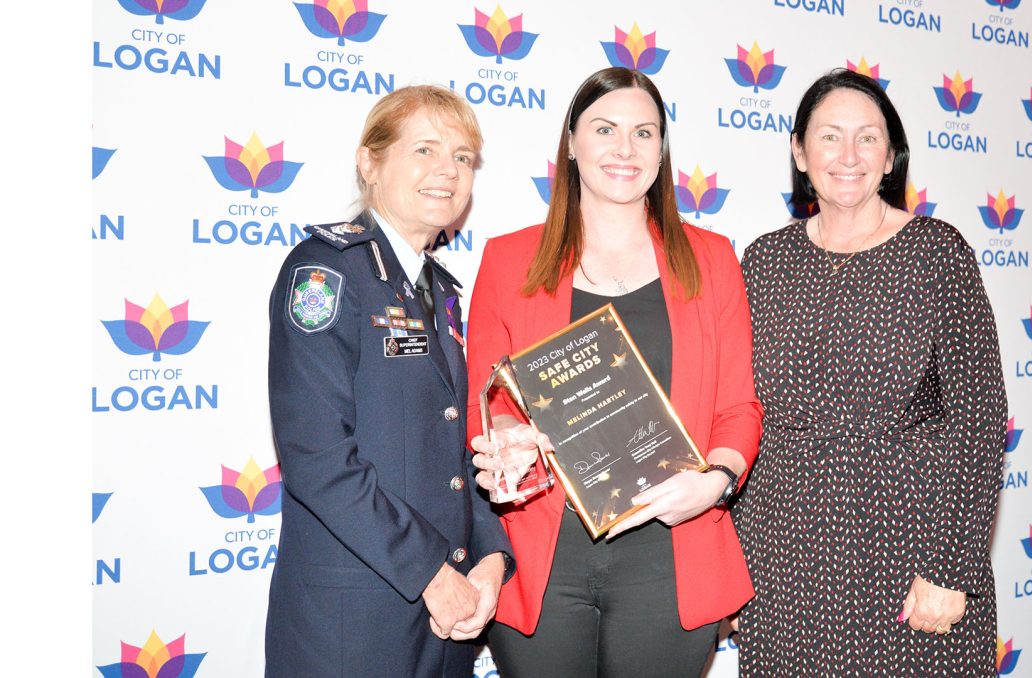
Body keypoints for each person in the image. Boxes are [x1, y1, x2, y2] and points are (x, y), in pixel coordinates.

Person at [464, 67, 763, 678]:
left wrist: (717, 481)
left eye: (643, 133)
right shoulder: (507, 258)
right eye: (605, 129)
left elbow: (739, 406)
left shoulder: (712, 259)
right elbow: (486, 399)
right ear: (572, 143)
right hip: (544, 553)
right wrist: (506, 441)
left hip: (671, 550)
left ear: (661, 151)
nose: (624, 149)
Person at [732, 68, 1007, 676]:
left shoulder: (939, 254)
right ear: (800, 152)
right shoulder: (764, 261)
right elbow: (741, 414)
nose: (848, 156)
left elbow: (980, 420)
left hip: (909, 559)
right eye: (829, 137)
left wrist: (952, 568)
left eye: (868, 138)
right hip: (784, 564)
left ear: (890, 157)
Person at [264, 85, 513, 677]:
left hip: (448, 614)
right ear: (369, 162)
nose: (446, 172)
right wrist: (430, 572)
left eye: (461, 157)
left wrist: (491, 557)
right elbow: (318, 458)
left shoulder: (444, 293)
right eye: (424, 150)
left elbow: (460, 448)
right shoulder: (325, 273)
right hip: (355, 619)